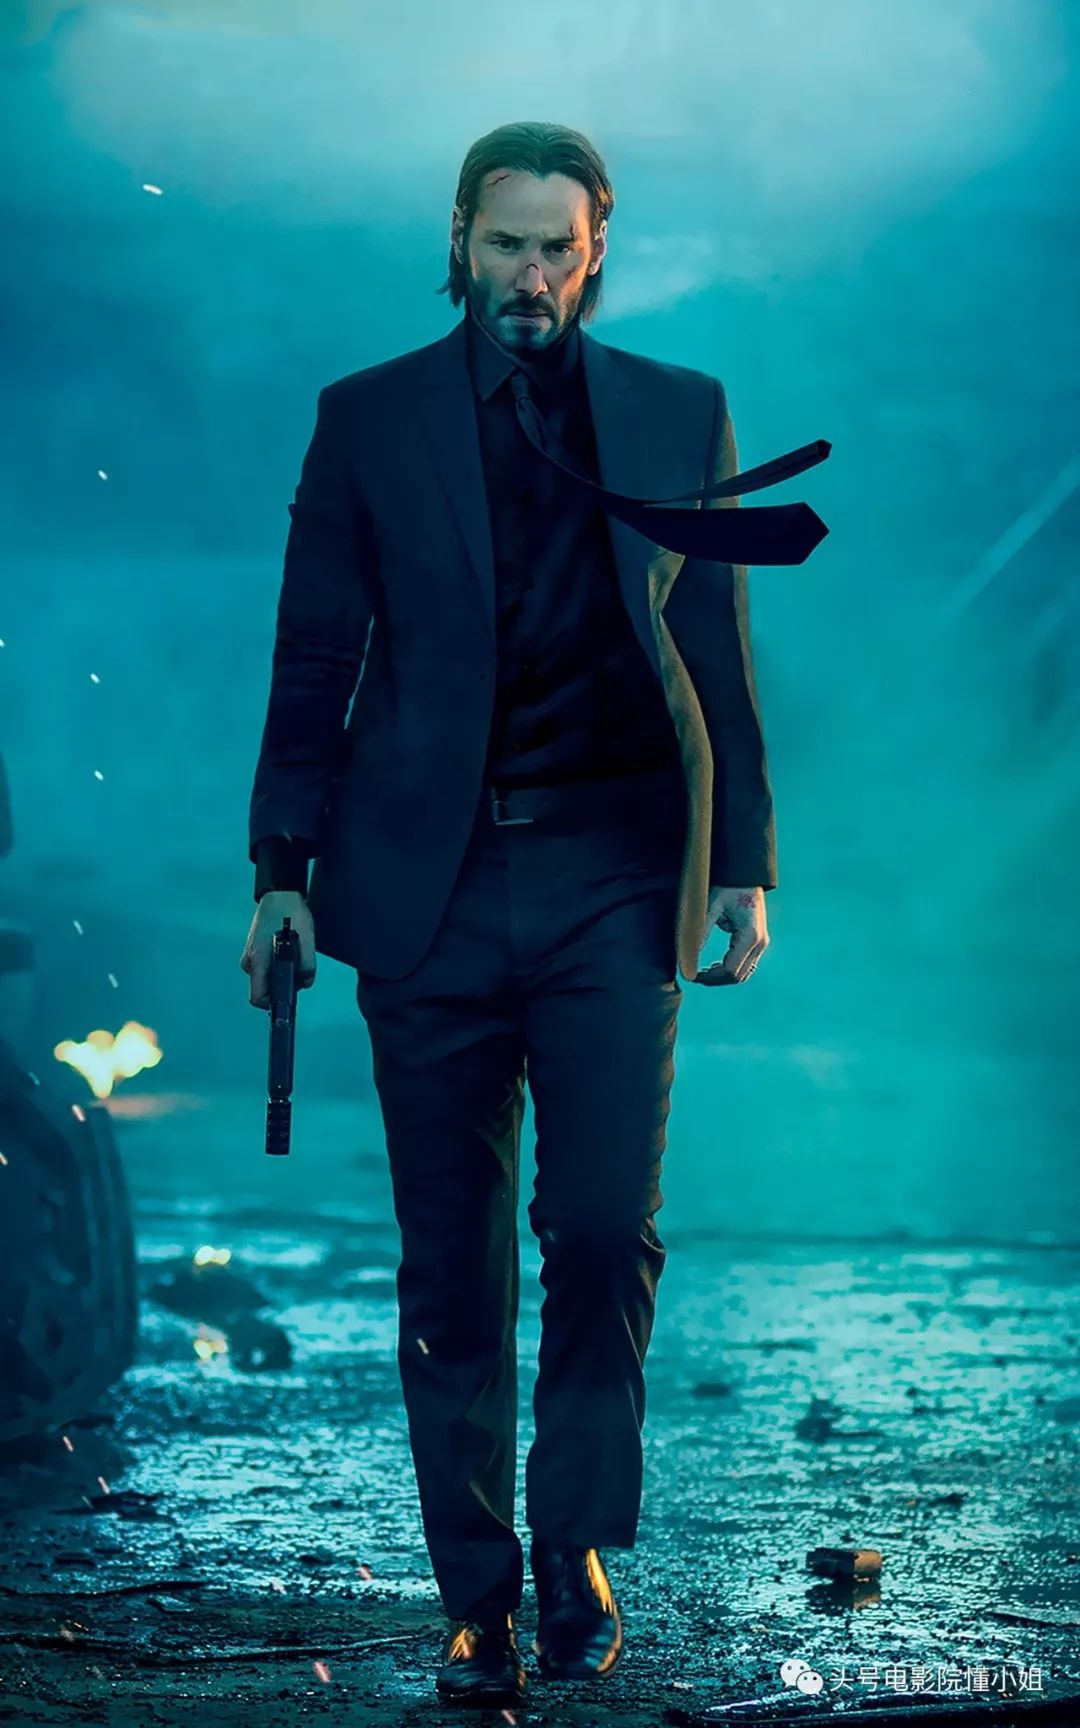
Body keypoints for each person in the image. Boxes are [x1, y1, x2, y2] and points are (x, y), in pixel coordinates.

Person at [241, 120, 776, 1710]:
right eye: (503, 245)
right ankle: (475, 1599)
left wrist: (744, 860)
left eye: (556, 247)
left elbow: (720, 648)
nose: (528, 274)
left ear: (595, 251)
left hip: (615, 878)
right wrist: (281, 869)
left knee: (603, 1231)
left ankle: (575, 1545)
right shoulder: (369, 419)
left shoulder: (679, 412)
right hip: (430, 886)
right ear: (459, 243)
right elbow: (313, 652)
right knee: (451, 1264)